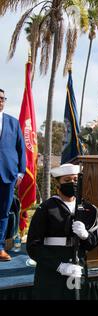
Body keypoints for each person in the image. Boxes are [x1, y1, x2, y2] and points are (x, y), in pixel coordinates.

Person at [26, 164, 98, 299]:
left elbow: (93, 243)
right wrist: (59, 266)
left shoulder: (88, 209)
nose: (72, 183)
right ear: (57, 183)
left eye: (75, 179)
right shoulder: (47, 208)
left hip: (77, 268)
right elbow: (33, 246)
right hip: (51, 271)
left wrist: (85, 236)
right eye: (67, 180)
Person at [0, 88, 26, 262]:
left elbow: (20, 149)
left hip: (7, 175)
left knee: (3, 213)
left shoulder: (13, 123)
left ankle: (0, 247)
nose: (0, 101)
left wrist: (21, 172)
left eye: (2, 98)